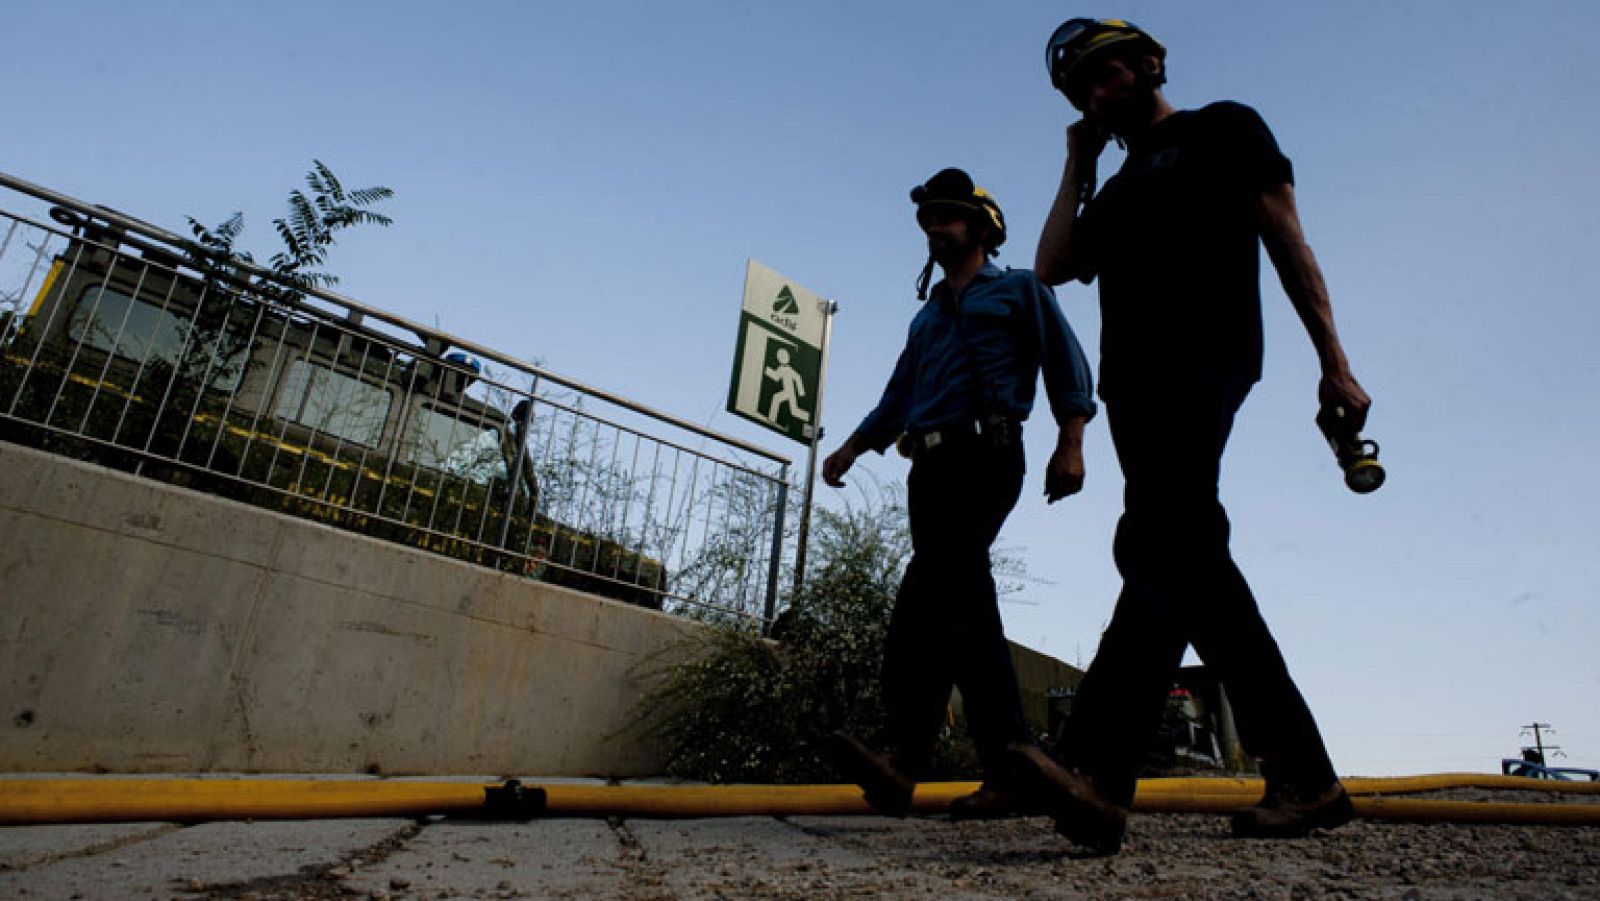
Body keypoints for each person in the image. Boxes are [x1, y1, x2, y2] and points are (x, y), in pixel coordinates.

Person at [1010, 19, 1374, 854]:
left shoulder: (1222, 128)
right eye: (1081, 89)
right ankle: (1308, 778)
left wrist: (1334, 361)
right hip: (1132, 389)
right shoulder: (1117, 180)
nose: (1098, 94)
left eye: (1106, 75)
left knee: (1159, 539)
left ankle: (1099, 771)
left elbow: (1289, 238)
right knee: (1187, 558)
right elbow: (1052, 264)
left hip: (1205, 362)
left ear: (1148, 64)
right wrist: (1079, 159)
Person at [822, 167, 1096, 819]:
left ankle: (1007, 752)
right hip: (930, 468)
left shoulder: (1020, 291)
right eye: (928, 220)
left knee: (958, 587)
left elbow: (1068, 362)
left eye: (947, 217)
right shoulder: (927, 320)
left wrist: (1072, 442)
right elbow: (899, 396)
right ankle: (912, 764)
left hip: (990, 453)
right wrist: (853, 447)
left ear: (979, 227)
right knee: (928, 605)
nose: (935, 228)